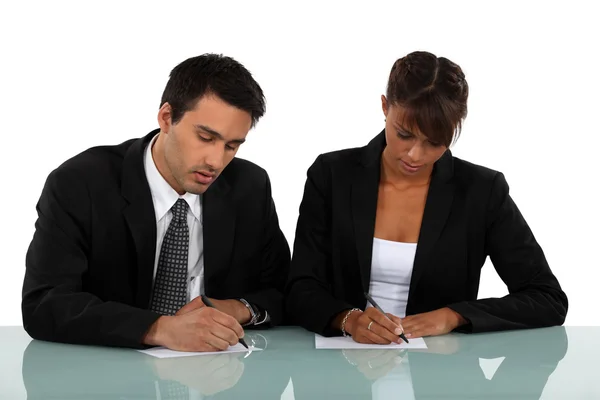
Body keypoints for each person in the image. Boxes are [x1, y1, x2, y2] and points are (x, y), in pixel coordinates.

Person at [285, 51, 567, 344]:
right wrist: (351, 320)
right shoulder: (332, 175)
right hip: (341, 367)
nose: (415, 155)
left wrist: (454, 315)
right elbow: (301, 288)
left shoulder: (482, 191)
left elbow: (547, 298)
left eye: (435, 142)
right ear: (385, 107)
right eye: (404, 134)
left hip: (440, 374)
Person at [22, 53, 291, 351]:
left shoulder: (249, 186)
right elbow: (44, 304)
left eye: (231, 146)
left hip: (215, 374)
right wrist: (158, 329)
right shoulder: (80, 183)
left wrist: (238, 308)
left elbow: (285, 292)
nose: (216, 161)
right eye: (205, 137)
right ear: (166, 118)